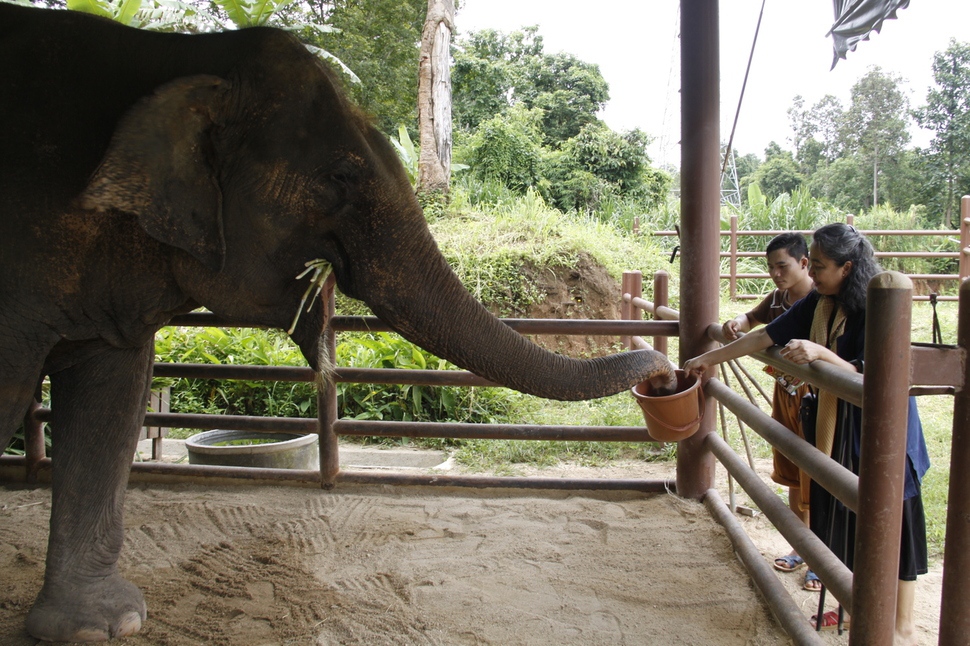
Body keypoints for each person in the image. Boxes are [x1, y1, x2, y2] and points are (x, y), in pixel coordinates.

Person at [684, 223, 930, 643]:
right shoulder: (820, 300)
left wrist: (819, 352)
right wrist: (710, 357)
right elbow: (766, 334)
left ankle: (902, 626)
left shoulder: (876, 306)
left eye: (818, 265)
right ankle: (854, 609)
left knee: (895, 521)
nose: (810, 272)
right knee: (845, 513)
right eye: (811, 264)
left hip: (883, 431)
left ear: (847, 267)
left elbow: (874, 376)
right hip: (838, 424)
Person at [721, 233, 819, 591]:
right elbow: (752, 319)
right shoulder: (778, 299)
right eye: (771, 268)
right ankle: (801, 546)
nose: (776, 274)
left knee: (819, 473)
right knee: (794, 470)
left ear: (804, 263)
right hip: (786, 392)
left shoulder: (819, 301)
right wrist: (738, 323)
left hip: (816, 399)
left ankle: (823, 559)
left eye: (783, 266)